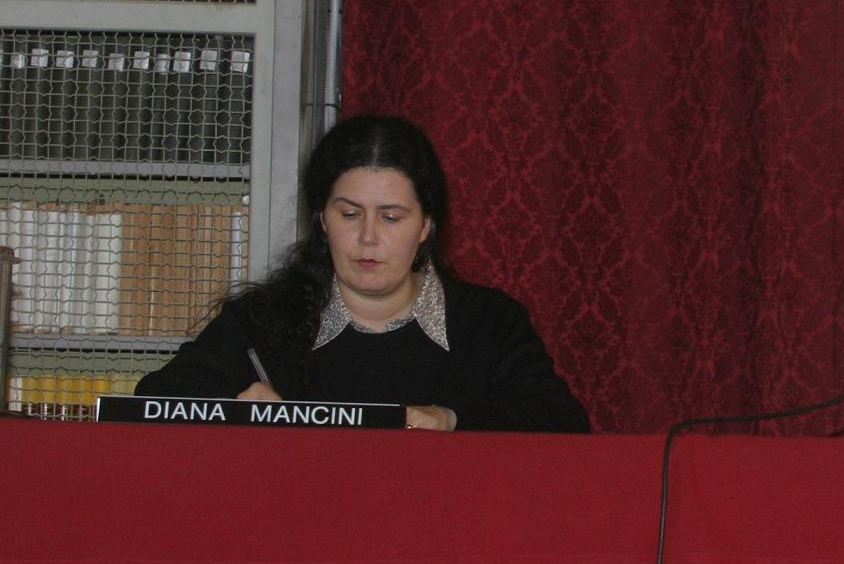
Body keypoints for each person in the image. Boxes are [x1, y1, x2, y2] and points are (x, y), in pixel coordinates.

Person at [136, 115, 589, 432]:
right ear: (322, 220)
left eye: (391, 218)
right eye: (350, 214)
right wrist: (232, 408)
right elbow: (154, 401)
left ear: (426, 226)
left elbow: (560, 421)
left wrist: (451, 419)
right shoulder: (261, 320)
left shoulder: (489, 322)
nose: (368, 238)